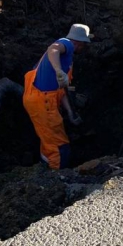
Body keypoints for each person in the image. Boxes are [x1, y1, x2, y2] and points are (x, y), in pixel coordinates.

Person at [22, 24, 91, 170]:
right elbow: (52, 49)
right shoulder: (67, 44)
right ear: (79, 42)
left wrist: (70, 114)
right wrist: (59, 71)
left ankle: (43, 168)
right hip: (43, 102)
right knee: (60, 146)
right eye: (84, 44)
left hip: (41, 99)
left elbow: (62, 92)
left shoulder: (67, 60)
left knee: (48, 139)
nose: (83, 48)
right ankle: (56, 177)